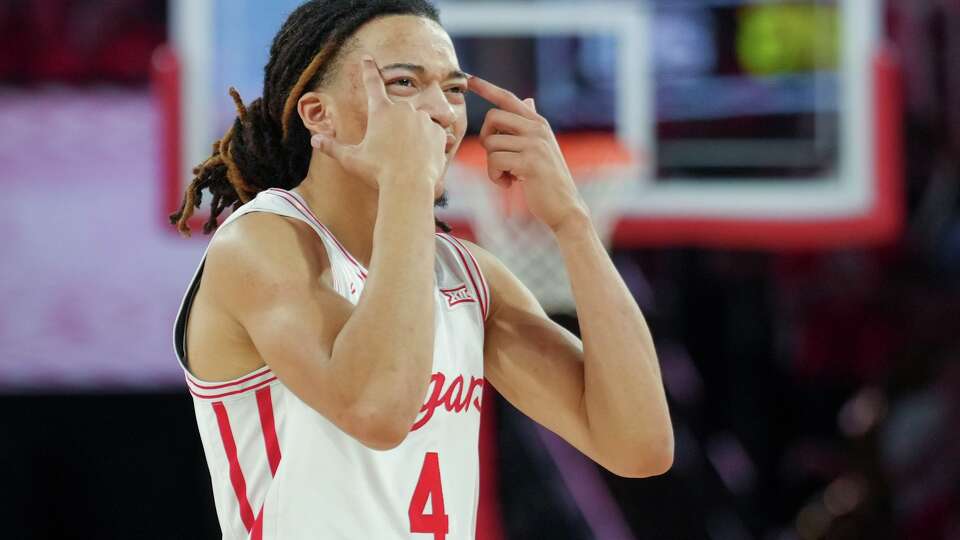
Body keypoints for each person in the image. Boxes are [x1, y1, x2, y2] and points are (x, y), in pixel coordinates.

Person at [171, 1, 673, 538]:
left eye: (453, 89)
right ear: (319, 115)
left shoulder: (467, 275)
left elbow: (639, 446)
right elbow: (377, 412)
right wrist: (406, 182)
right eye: (405, 83)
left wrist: (574, 222)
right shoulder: (261, 242)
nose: (442, 110)